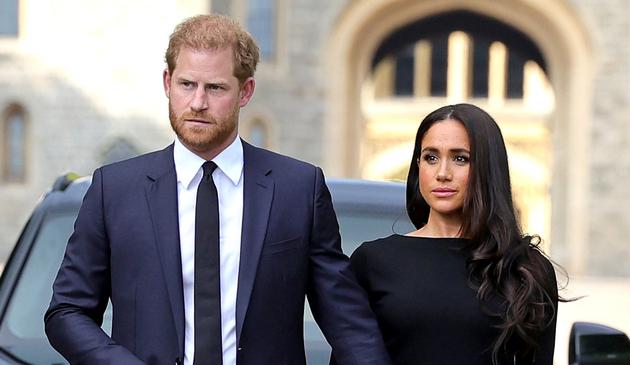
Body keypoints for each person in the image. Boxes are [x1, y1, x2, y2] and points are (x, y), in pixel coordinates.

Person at [44, 14, 390, 365]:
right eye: (187, 84)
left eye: (215, 88)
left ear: (246, 91)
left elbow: (348, 324)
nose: (197, 102)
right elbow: (67, 311)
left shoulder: (298, 190)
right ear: (167, 82)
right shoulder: (114, 190)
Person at [349, 103, 560, 364]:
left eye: (460, 158)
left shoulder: (526, 269)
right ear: (418, 166)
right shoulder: (373, 261)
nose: (442, 174)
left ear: (487, 168)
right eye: (431, 157)